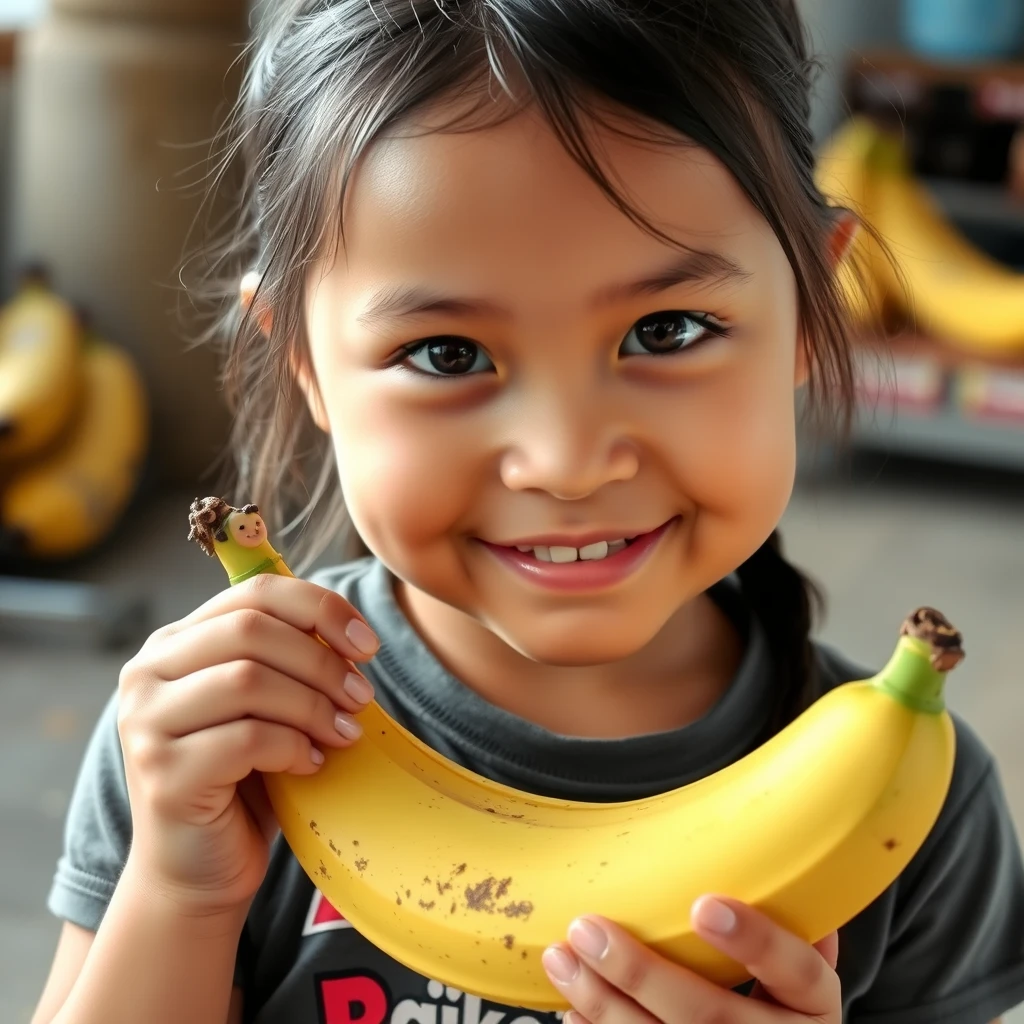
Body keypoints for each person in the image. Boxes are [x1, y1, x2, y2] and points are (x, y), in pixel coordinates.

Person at [29, 0, 1024, 1022]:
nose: (567, 462)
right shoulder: (222, 738)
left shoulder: (911, 813)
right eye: (447, 354)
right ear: (305, 363)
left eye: (667, 329)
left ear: (814, 309)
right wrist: (180, 895)